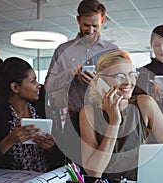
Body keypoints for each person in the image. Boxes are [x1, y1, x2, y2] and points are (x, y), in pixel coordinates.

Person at [79, 49, 163, 181]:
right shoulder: (88, 113)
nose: (128, 81)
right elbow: (94, 172)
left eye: (132, 74)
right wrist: (114, 123)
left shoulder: (144, 104)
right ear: (101, 79)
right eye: (119, 76)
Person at [0, 57, 64, 174]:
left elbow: (63, 159)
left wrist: (53, 148)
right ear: (15, 87)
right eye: (32, 81)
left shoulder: (44, 111)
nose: (39, 85)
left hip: (45, 182)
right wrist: (9, 141)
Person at [44, 0, 117, 134]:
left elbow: (121, 87)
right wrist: (70, 73)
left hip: (105, 116)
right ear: (78, 20)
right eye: (86, 25)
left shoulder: (112, 51)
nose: (90, 31)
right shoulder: (63, 51)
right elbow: (48, 85)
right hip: (73, 119)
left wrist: (98, 83)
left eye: (95, 26)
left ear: (103, 20)